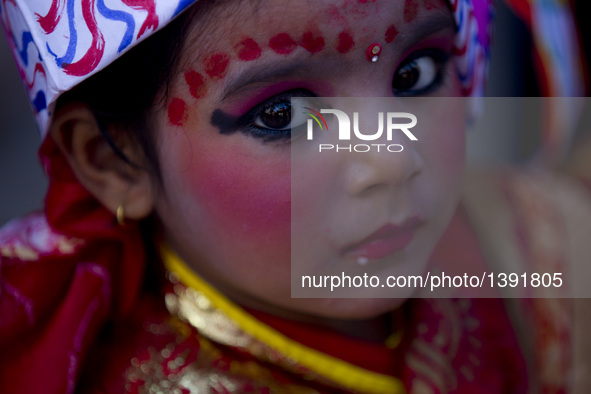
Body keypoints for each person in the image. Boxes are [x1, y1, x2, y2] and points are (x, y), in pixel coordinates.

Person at [0, 0, 588, 392]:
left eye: (415, 74)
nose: (392, 158)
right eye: (282, 114)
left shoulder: (529, 240)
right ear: (112, 159)